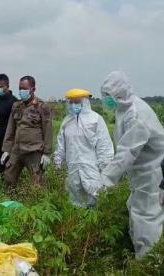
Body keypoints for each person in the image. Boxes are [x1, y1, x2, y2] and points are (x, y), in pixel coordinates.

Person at [97, 71, 164, 259]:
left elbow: (127, 152)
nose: (105, 100)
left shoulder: (136, 114)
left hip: (154, 174)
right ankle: (142, 256)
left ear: (119, 93)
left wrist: (104, 181)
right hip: (143, 173)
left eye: (108, 96)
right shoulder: (124, 109)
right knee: (136, 211)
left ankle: (147, 263)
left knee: (146, 220)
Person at [53, 89, 114, 208]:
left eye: (77, 102)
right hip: (72, 168)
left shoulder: (96, 119)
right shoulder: (66, 121)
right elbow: (61, 145)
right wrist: (58, 162)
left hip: (92, 168)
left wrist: (105, 167)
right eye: (71, 102)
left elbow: (104, 146)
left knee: (96, 197)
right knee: (75, 199)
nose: (74, 105)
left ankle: (96, 223)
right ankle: (79, 222)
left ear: (85, 102)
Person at [0, 76, 52, 192]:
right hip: (17, 149)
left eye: (24, 88)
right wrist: (6, 149)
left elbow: (48, 130)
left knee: (37, 183)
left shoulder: (42, 106)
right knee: (8, 177)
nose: (21, 91)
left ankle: (37, 205)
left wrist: (47, 153)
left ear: (33, 89)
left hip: (34, 150)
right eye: (19, 88)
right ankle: (10, 202)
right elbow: (10, 128)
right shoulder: (16, 106)